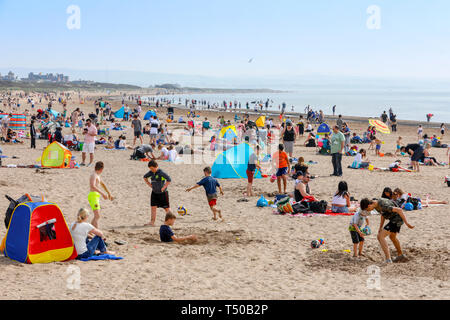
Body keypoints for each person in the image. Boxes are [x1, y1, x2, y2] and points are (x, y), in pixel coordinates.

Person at [360, 198, 414, 263]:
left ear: (369, 205)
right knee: (392, 237)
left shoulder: (383, 205)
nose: (368, 211)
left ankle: (388, 259)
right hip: (393, 219)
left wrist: (407, 223)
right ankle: (400, 255)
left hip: (397, 219)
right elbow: (383, 215)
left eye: (367, 209)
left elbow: (399, 210)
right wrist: (380, 227)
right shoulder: (375, 204)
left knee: (380, 236)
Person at [143, 160, 172, 227]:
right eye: (150, 169)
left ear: (156, 166)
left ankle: (170, 221)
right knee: (153, 208)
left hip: (163, 193)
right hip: (154, 193)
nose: (151, 170)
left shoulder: (161, 172)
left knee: (166, 208)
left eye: (152, 169)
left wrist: (164, 187)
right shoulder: (150, 173)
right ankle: (152, 222)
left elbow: (169, 179)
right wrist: (149, 184)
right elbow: (145, 177)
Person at [88, 162, 114, 228]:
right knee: (97, 216)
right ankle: (97, 233)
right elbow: (92, 186)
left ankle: (90, 231)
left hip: (96, 196)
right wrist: (103, 194)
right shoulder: (94, 175)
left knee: (97, 216)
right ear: (102, 169)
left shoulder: (97, 175)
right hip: (93, 196)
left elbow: (102, 184)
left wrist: (109, 193)